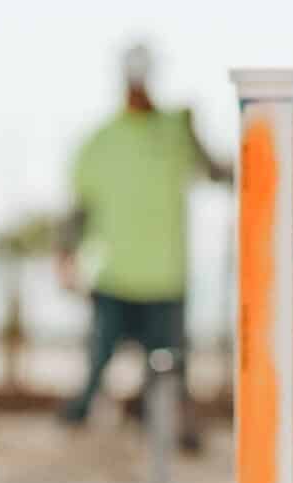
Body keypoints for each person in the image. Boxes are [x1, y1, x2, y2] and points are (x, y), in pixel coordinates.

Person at [60, 42, 220, 441]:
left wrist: (195, 132)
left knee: (171, 369)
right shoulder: (100, 140)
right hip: (115, 275)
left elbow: (214, 172)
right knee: (98, 361)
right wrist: (65, 256)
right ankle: (79, 418)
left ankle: (177, 428)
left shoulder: (175, 131)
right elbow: (78, 208)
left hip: (166, 277)